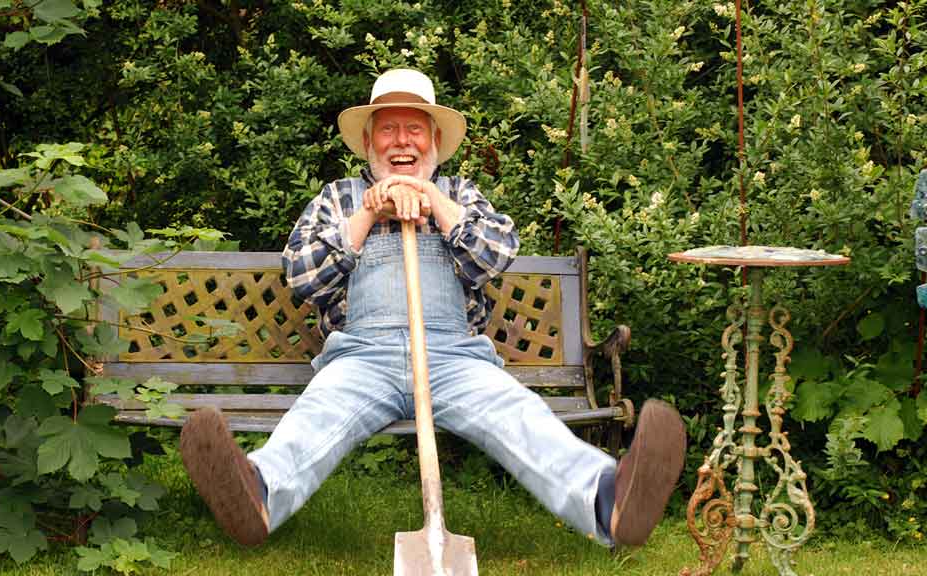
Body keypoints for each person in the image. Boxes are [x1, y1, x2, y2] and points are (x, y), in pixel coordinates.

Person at [179, 68, 686, 550]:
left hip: (454, 360)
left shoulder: (463, 194)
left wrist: (435, 204)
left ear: (435, 144)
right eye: (389, 130)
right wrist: (367, 215)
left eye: (415, 130)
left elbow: (495, 257)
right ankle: (257, 493)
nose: (403, 141)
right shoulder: (338, 199)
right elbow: (302, 277)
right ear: (368, 143)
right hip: (361, 360)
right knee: (316, 419)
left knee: (520, 418)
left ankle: (609, 501)